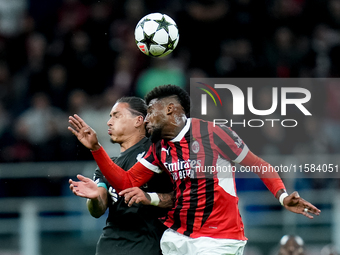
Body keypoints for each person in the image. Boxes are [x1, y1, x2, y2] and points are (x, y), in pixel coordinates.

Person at [68, 85, 321, 255]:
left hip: (219, 237)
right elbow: (126, 182)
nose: (146, 119)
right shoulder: (159, 148)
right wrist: (96, 149)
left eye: (151, 111)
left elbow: (259, 164)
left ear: (170, 109)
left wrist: (282, 195)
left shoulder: (213, 133)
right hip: (178, 237)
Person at [69, 97, 174, 255]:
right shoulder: (106, 166)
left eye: (116, 115)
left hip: (147, 246)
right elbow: (98, 210)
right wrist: (94, 198)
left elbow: (180, 198)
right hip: (109, 246)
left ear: (138, 120)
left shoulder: (156, 152)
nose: (109, 122)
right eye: (110, 116)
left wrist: (150, 197)